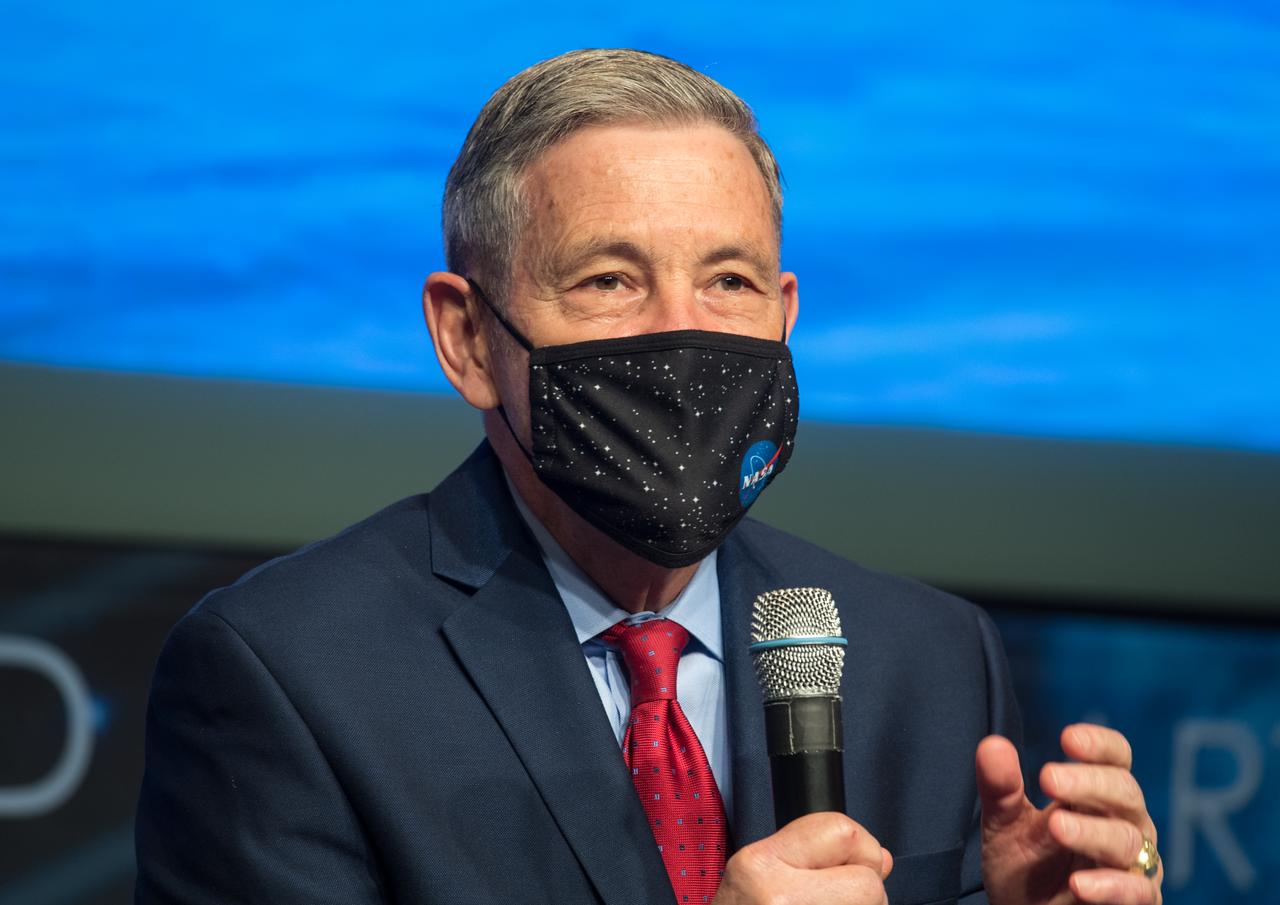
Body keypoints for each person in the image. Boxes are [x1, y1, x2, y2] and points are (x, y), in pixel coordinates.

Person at [135, 49, 1162, 905]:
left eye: (728, 280)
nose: (683, 333)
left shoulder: (926, 656)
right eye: (609, 281)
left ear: (785, 310)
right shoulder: (286, 671)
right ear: (464, 338)